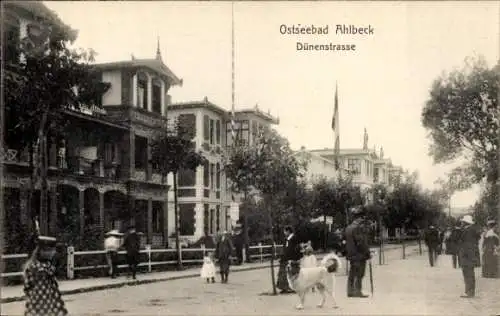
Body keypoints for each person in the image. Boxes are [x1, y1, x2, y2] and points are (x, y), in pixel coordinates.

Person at [23, 235, 68, 316]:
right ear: (41, 251)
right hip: (40, 301)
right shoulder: (37, 266)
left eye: (53, 251)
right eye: (50, 251)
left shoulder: (45, 264)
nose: (53, 253)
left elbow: (27, 287)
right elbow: (47, 273)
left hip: (50, 299)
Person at [345, 206, 371, 298]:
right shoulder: (357, 228)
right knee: (360, 273)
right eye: (362, 217)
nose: (363, 219)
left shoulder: (348, 228)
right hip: (359, 255)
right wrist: (367, 252)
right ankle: (357, 291)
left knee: (352, 272)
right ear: (359, 217)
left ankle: (350, 291)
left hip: (351, 255)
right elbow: (360, 242)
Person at [457, 215, 481, 298]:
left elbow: (467, 244)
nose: (461, 223)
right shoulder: (471, 230)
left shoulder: (468, 231)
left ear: (465, 222)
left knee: (468, 274)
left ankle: (469, 293)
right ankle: (469, 292)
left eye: (462, 222)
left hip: (468, 256)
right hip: (470, 256)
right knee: (469, 274)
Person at [277, 225, 302, 294]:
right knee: (283, 273)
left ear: (288, 231)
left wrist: (296, 258)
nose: (284, 233)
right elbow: (285, 249)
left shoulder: (294, 238)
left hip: (292, 258)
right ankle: (284, 287)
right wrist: (282, 256)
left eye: (285, 231)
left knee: (292, 273)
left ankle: (293, 287)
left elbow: (296, 249)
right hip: (286, 258)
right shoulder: (287, 239)